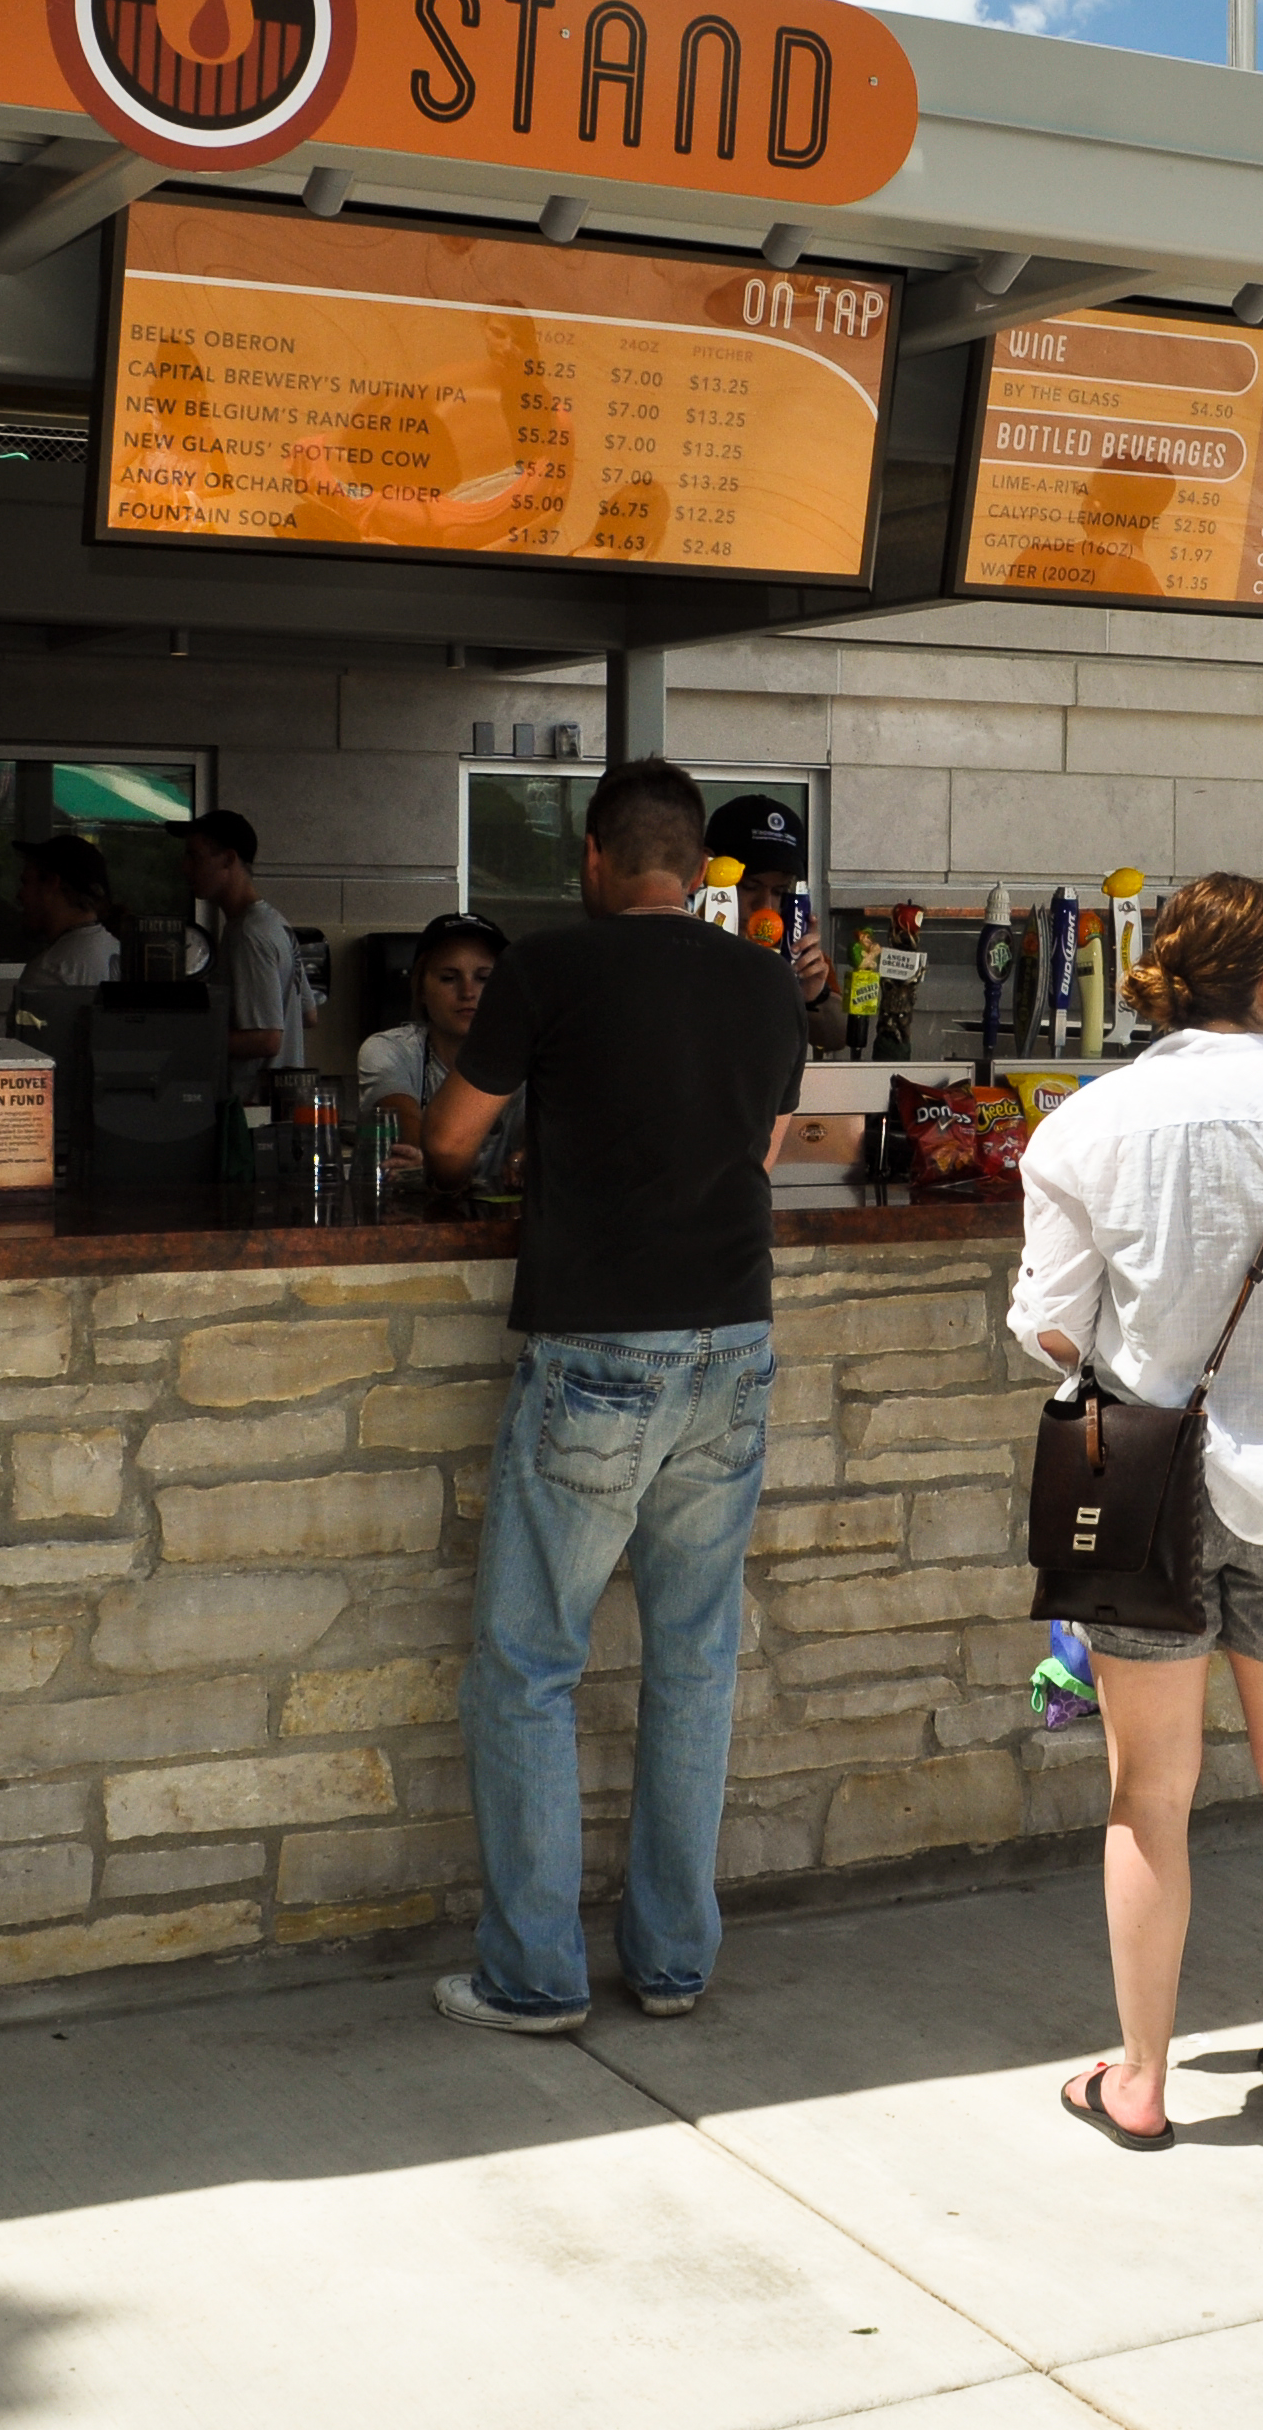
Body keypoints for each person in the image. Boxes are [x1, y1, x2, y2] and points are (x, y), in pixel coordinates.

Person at [1009, 874, 1263, 2147]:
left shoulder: (1091, 1120)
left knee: (1149, 1797)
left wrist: (1140, 1362)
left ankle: (1140, 2080)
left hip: (1143, 1494)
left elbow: (1045, 1321)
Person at [421, 759, 810, 2035]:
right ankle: (672, 1960)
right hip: (733, 1341)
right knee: (695, 1662)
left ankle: (534, 1973)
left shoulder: (546, 966)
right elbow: (752, 1148)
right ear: (696, 867)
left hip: (597, 1347)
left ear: (595, 858)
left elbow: (449, 1143)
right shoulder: (761, 976)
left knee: (529, 1663)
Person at [359, 911, 522, 1190]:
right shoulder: (389, 1049)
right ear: (421, 987)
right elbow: (405, 1123)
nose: (468, 992)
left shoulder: (531, 1057)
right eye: (449, 978)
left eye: (484, 978)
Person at [705, 793, 850, 1057]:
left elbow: (837, 1036)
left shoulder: (793, 950)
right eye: (750, 886)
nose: (766, 907)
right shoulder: (684, 937)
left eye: (780, 891)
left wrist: (812, 995)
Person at [177, 808, 309, 1098]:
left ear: (228, 859)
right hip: (283, 1106)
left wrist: (184, 1041)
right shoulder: (277, 924)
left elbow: (267, 1040)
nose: (185, 868)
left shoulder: (250, 934)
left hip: (254, 1112)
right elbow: (307, 1014)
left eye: (195, 857)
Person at [11, 833, 119, 990]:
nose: (19, 895)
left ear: (52, 882)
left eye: (26, 882)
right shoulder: (120, 954)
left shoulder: (50, 973)